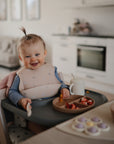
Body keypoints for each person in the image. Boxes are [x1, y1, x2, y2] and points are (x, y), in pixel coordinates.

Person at [8, 27, 70, 133]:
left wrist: (64, 89)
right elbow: (12, 92)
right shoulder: (21, 75)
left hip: (55, 106)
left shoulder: (51, 69)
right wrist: (21, 100)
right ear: (21, 58)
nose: (33, 59)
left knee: (66, 124)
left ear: (44, 53)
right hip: (35, 111)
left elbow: (60, 83)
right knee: (40, 129)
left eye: (37, 54)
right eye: (27, 56)